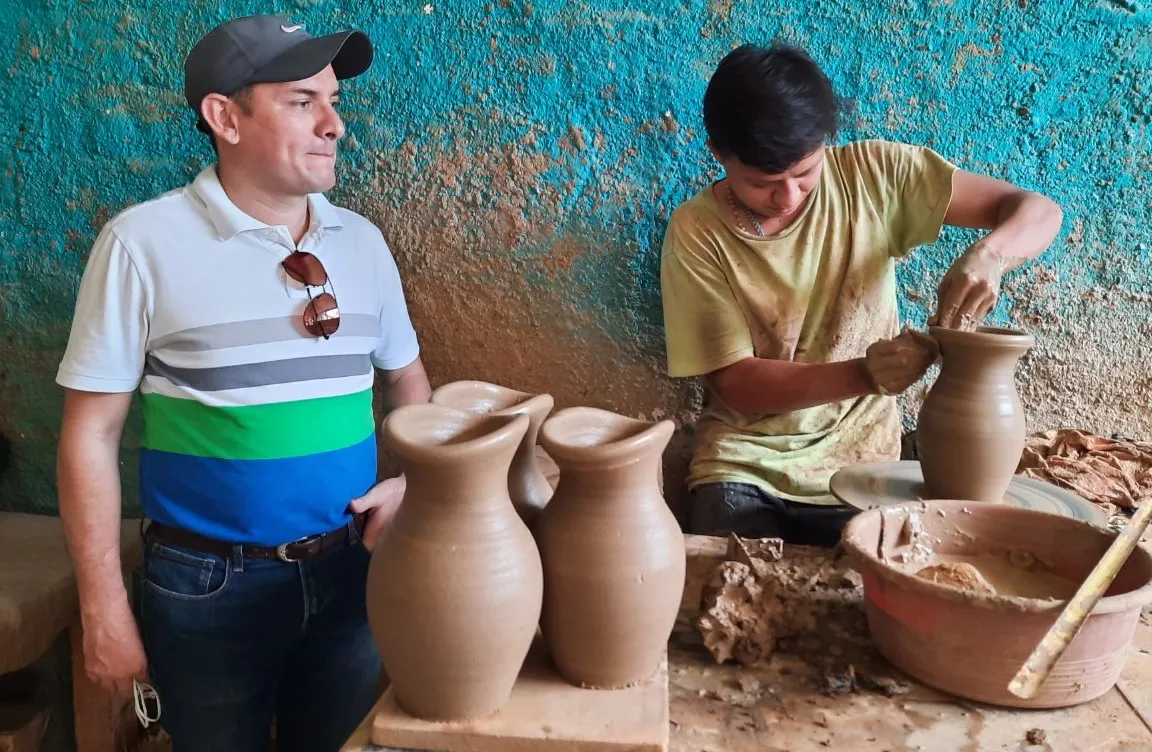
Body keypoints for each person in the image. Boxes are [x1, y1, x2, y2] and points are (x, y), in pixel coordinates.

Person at [54, 15, 431, 752]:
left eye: (333, 100)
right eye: (302, 102)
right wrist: (103, 608)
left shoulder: (362, 242)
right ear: (224, 117)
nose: (335, 125)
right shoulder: (142, 244)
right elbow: (89, 435)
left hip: (355, 571)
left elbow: (408, 380)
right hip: (205, 588)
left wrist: (411, 480)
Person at [659, 43, 1062, 547]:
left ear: (826, 142)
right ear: (719, 154)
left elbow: (1038, 210)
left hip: (865, 461)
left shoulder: (876, 177)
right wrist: (862, 375)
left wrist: (992, 255)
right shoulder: (697, 231)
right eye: (763, 184)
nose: (787, 198)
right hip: (746, 465)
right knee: (737, 595)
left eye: (805, 175)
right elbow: (736, 383)